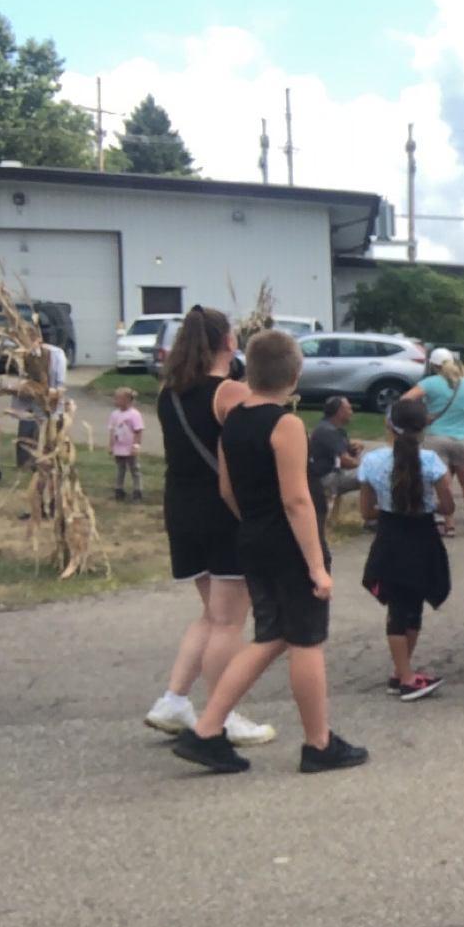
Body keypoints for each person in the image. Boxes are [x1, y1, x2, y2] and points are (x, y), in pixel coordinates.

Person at [173, 328, 367, 775]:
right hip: (290, 546)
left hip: (252, 541)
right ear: (295, 374)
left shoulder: (233, 422)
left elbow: (226, 488)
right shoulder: (286, 424)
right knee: (307, 640)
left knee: (271, 637)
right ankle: (318, 743)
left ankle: (206, 728)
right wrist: (316, 565)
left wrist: (252, 522)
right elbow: (297, 498)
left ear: (251, 371)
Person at [145, 307, 275, 748]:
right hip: (221, 509)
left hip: (180, 507)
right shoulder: (229, 392)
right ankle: (224, 713)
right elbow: (252, 446)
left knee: (211, 612)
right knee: (229, 620)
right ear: (227, 343)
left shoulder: (170, 392)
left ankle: (174, 698)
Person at [359, 393, 454, 699]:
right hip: (422, 535)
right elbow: (448, 506)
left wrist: (391, 505)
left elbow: (366, 511)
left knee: (398, 608)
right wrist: (426, 505)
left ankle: (403, 671)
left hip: (390, 535)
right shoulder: (432, 462)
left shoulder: (372, 462)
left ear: (389, 424)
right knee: (412, 607)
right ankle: (405, 676)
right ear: (424, 426)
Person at [398, 350, 464, 537]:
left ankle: (449, 526)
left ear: (434, 365)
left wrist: (420, 415)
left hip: (435, 437)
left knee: (443, 484)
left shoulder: (429, 383)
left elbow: (405, 399)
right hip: (462, 439)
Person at [306, 395, 363, 517]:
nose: (351, 412)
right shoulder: (328, 431)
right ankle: (371, 518)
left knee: (370, 473)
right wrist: (366, 464)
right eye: (349, 409)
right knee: (371, 476)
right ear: (340, 411)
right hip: (323, 479)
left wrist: (355, 450)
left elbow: (345, 455)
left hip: (333, 473)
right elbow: (347, 462)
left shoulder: (334, 429)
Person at [108, 388, 146, 502]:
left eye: (118, 398)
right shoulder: (114, 414)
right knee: (120, 469)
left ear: (127, 400)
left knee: (134, 469)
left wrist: (136, 445)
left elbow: (138, 430)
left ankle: (137, 490)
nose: (115, 401)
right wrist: (111, 445)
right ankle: (119, 489)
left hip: (130, 448)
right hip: (119, 447)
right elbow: (112, 430)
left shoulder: (134, 414)